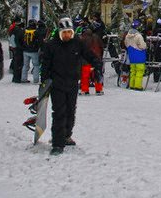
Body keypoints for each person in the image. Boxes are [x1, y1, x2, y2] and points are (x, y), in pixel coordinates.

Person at [40, 17, 101, 155]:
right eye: (64, 33)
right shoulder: (51, 45)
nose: (67, 35)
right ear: (60, 32)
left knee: (70, 111)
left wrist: (97, 65)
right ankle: (57, 143)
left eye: (69, 32)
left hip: (72, 83)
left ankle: (67, 135)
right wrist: (44, 81)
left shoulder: (78, 43)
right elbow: (45, 65)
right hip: (57, 84)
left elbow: (89, 55)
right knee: (59, 113)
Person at [79, 27, 104, 95]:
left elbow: (79, 50)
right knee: (97, 74)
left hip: (85, 59)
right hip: (97, 58)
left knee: (85, 75)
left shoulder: (82, 38)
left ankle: (85, 90)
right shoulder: (96, 37)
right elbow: (102, 46)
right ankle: (99, 90)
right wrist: (100, 56)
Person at [20, 17, 43, 84]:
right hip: (34, 51)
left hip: (25, 51)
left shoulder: (25, 31)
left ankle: (23, 78)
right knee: (36, 65)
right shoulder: (36, 31)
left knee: (25, 65)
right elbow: (40, 41)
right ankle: (36, 79)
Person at [8, 16, 24, 83]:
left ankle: (15, 76)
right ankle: (17, 78)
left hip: (14, 47)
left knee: (15, 61)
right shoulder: (18, 30)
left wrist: (12, 46)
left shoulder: (13, 28)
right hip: (18, 48)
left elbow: (11, 37)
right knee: (18, 62)